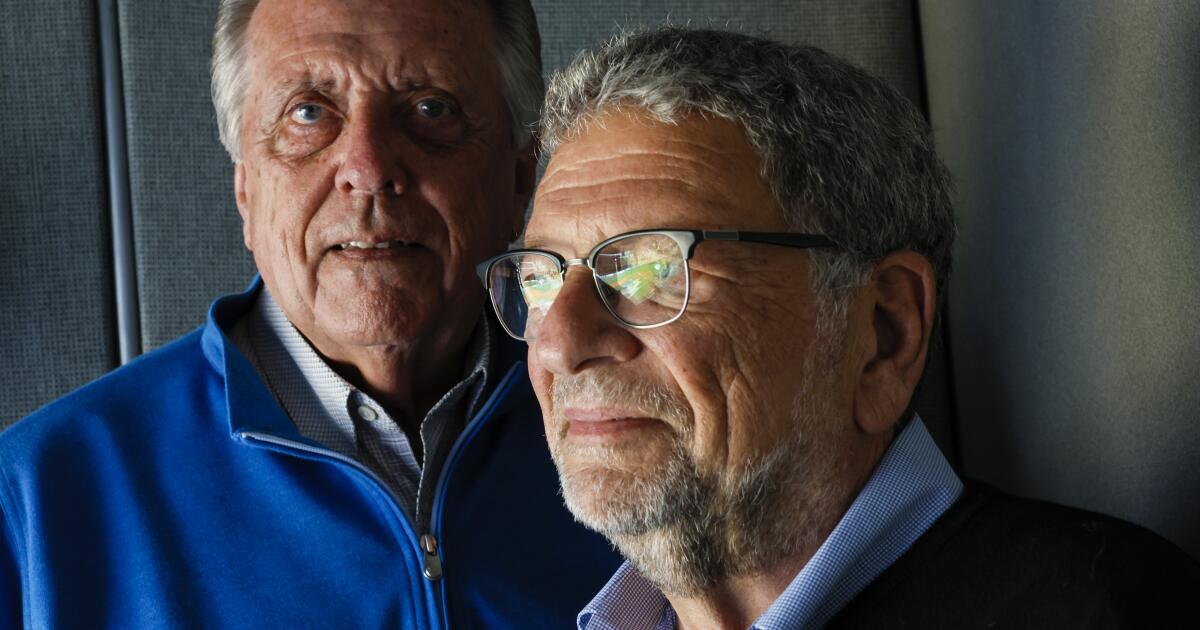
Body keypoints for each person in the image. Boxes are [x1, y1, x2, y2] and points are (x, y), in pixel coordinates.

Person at [477, 28, 1200, 629]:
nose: (558, 343)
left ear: (884, 332)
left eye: (648, 268)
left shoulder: (1107, 611)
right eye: (539, 278)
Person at [0, 0, 619, 627]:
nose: (368, 170)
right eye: (309, 112)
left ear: (519, 180)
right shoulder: (31, 505)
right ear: (245, 189)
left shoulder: (637, 432)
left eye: (431, 108)